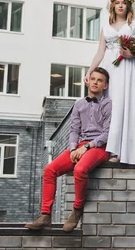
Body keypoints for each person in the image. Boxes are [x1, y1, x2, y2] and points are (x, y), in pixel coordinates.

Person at [25, 67, 112, 232]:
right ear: (88, 81)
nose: (95, 82)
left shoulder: (108, 105)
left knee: (79, 169)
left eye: (100, 80)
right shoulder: (78, 104)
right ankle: (45, 216)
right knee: (50, 170)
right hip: (79, 147)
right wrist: (73, 149)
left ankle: (76, 211)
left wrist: (87, 146)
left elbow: (108, 133)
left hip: (100, 147)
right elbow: (74, 130)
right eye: (93, 79)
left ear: (105, 86)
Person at [85, 0, 135, 165]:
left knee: (124, 103)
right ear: (113, 6)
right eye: (117, 2)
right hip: (109, 67)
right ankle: (108, 148)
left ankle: (122, 150)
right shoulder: (105, 28)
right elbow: (100, 53)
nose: (120, 5)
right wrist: (90, 71)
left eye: (123, 3)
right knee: (110, 104)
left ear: (128, 6)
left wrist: (130, 53)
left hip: (126, 67)